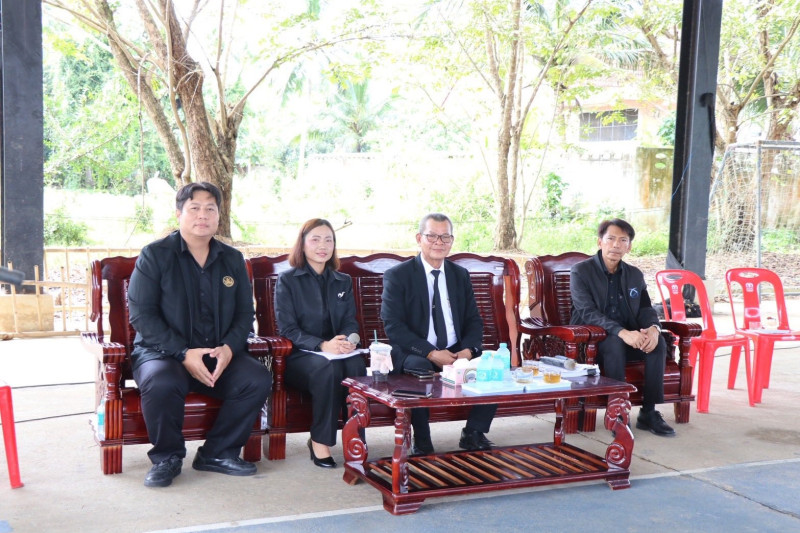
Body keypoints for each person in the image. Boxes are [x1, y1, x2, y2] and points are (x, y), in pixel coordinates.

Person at [128, 182, 272, 488]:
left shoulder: (232, 259)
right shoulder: (155, 255)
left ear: (219, 215)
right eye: (194, 208)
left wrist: (229, 348)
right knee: (161, 382)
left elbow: (244, 314)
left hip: (217, 353)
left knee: (256, 378)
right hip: (163, 353)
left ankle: (217, 453)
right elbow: (142, 316)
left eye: (210, 208)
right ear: (179, 214)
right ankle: (167, 457)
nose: (202, 215)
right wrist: (182, 352)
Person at [381, 213, 496, 455]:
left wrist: (468, 351)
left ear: (452, 240)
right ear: (419, 238)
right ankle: (422, 439)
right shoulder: (399, 275)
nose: (439, 242)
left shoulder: (459, 274)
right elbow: (393, 326)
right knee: (421, 368)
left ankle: (474, 432)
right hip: (416, 350)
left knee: (491, 364)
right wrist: (431, 353)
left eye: (445, 237)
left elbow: (474, 320)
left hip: (456, 349)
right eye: (432, 236)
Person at [274, 219, 366, 468]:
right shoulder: (288, 280)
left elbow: (350, 322)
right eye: (315, 240)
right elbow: (288, 329)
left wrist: (348, 341)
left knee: (356, 366)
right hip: (300, 356)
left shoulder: (342, 280)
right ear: (302, 245)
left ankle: (355, 440)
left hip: (338, 353)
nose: (322, 246)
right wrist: (323, 345)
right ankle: (320, 441)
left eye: (328, 240)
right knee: (329, 369)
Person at [569, 218, 674, 437]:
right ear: (600, 242)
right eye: (611, 239)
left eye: (623, 240)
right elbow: (587, 311)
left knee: (658, 343)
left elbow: (645, 307)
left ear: (629, 246)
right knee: (615, 343)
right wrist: (622, 332)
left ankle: (649, 412)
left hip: (629, 336)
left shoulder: (634, 274)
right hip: (593, 339)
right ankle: (618, 413)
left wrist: (653, 328)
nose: (616, 245)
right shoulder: (581, 271)